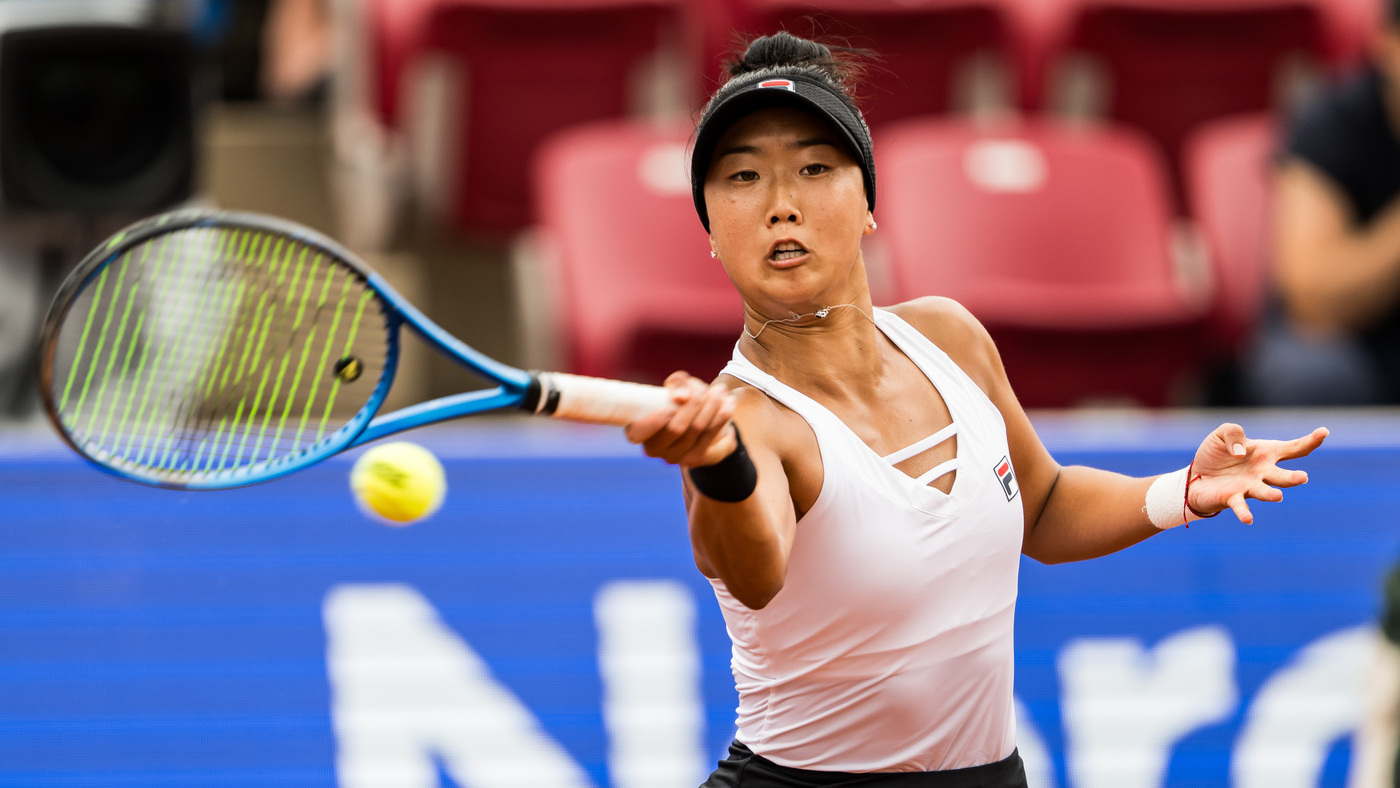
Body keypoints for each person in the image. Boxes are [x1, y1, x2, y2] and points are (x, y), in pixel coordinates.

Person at [622, 32, 1329, 786]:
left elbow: (1044, 507)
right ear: (710, 229)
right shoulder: (742, 421)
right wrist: (718, 467)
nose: (781, 205)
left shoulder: (948, 336)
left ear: (868, 204)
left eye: (815, 168)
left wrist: (1181, 492)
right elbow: (752, 571)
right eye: (742, 177)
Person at [1257, 0, 1400, 405]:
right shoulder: (1330, 125)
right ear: (1387, 42)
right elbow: (1314, 301)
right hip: (1351, 344)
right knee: (1311, 374)